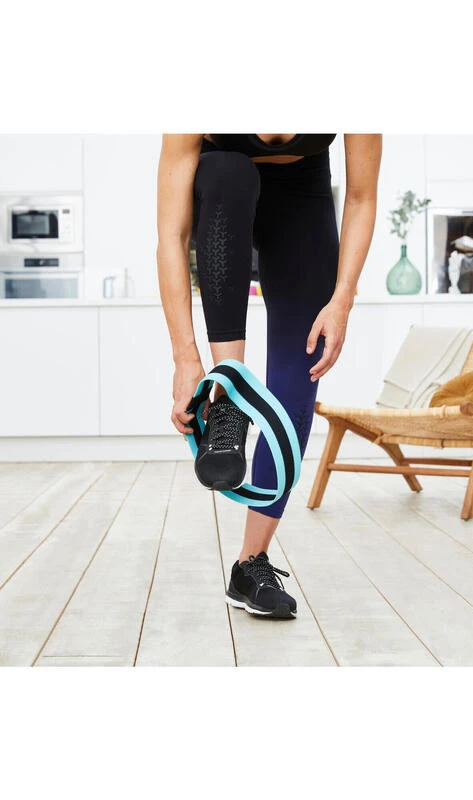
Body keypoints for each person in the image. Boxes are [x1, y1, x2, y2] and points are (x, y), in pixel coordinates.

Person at [156, 133, 382, 619]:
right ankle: (229, 397)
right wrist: (186, 359)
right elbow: (171, 235)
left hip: (302, 196)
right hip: (223, 195)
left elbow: (362, 197)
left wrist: (342, 299)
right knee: (229, 172)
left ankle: (249, 564)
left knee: (294, 396)